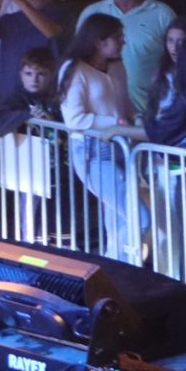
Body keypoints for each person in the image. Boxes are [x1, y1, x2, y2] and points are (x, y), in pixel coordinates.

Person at [59, 14, 142, 260]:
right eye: (117, 37)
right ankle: (108, 268)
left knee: (117, 221)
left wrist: (136, 120)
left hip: (121, 146)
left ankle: (115, 269)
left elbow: (124, 104)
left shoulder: (117, 66)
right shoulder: (75, 70)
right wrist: (116, 123)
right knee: (139, 218)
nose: (123, 41)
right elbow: (74, 119)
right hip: (92, 150)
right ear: (98, 42)